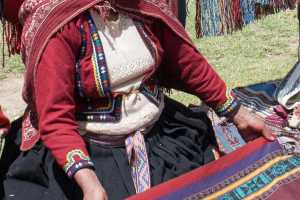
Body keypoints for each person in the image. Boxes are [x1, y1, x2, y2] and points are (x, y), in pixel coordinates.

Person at [1, 0, 275, 199]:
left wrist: (237, 113)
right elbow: (56, 118)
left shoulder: (141, 5)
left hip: (161, 137)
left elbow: (187, 64)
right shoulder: (58, 23)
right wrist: (90, 184)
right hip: (90, 151)